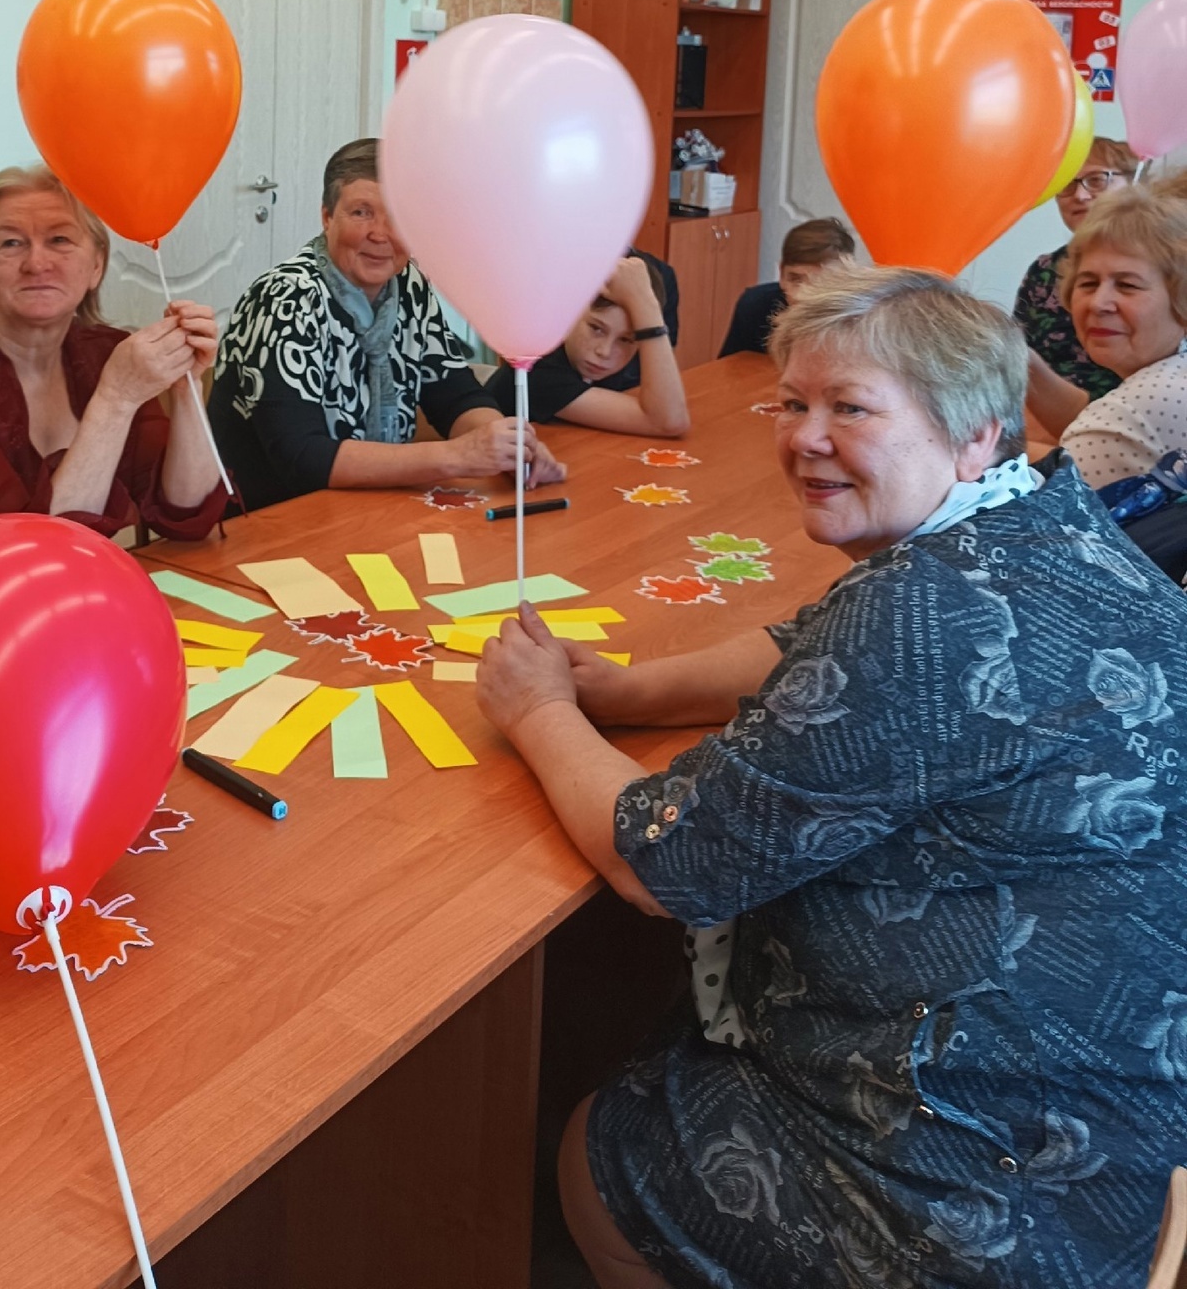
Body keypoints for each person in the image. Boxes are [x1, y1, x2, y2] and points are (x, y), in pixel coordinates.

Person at [478, 264, 1187, 1288]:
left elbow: (662, 857)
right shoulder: (1049, 518)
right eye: (794, 402)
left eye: (849, 408)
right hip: (1125, 1119)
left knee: (598, 1149)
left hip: (997, 1191)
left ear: (977, 431)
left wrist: (536, 711)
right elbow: (808, 641)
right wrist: (623, 693)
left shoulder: (921, 620)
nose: (803, 437)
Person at [0, 165, 228, 550]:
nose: (36, 264)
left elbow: (188, 516)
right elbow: (30, 556)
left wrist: (185, 386)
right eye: (11, 243)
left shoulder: (106, 352)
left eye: (59, 239)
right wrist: (116, 399)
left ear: (96, 267)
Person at [209, 137, 566, 510]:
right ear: (327, 216)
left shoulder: (409, 285)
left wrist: (504, 445)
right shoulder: (285, 297)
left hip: (364, 508)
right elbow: (301, 457)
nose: (381, 234)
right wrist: (458, 456)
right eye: (361, 212)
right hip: (266, 522)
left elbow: (454, 395)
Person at [1023, 184, 1187, 488]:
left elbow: (1051, 513)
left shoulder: (1143, 404)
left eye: (1127, 285)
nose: (1099, 303)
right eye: (1087, 283)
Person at [486, 254, 689, 437]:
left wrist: (645, 308)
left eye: (626, 339)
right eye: (596, 328)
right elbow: (669, 421)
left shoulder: (593, 359)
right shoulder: (538, 366)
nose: (604, 351)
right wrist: (646, 307)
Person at [1015, 134, 1138, 400]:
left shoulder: (1162, 266)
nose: (1080, 195)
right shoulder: (1043, 271)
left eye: (1096, 180)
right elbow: (1018, 364)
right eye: (1067, 185)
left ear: (1132, 184)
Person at [719, 215, 854, 357]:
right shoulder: (755, 306)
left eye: (822, 283)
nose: (803, 295)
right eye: (796, 279)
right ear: (782, 274)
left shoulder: (861, 321)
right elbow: (730, 368)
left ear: (845, 279)